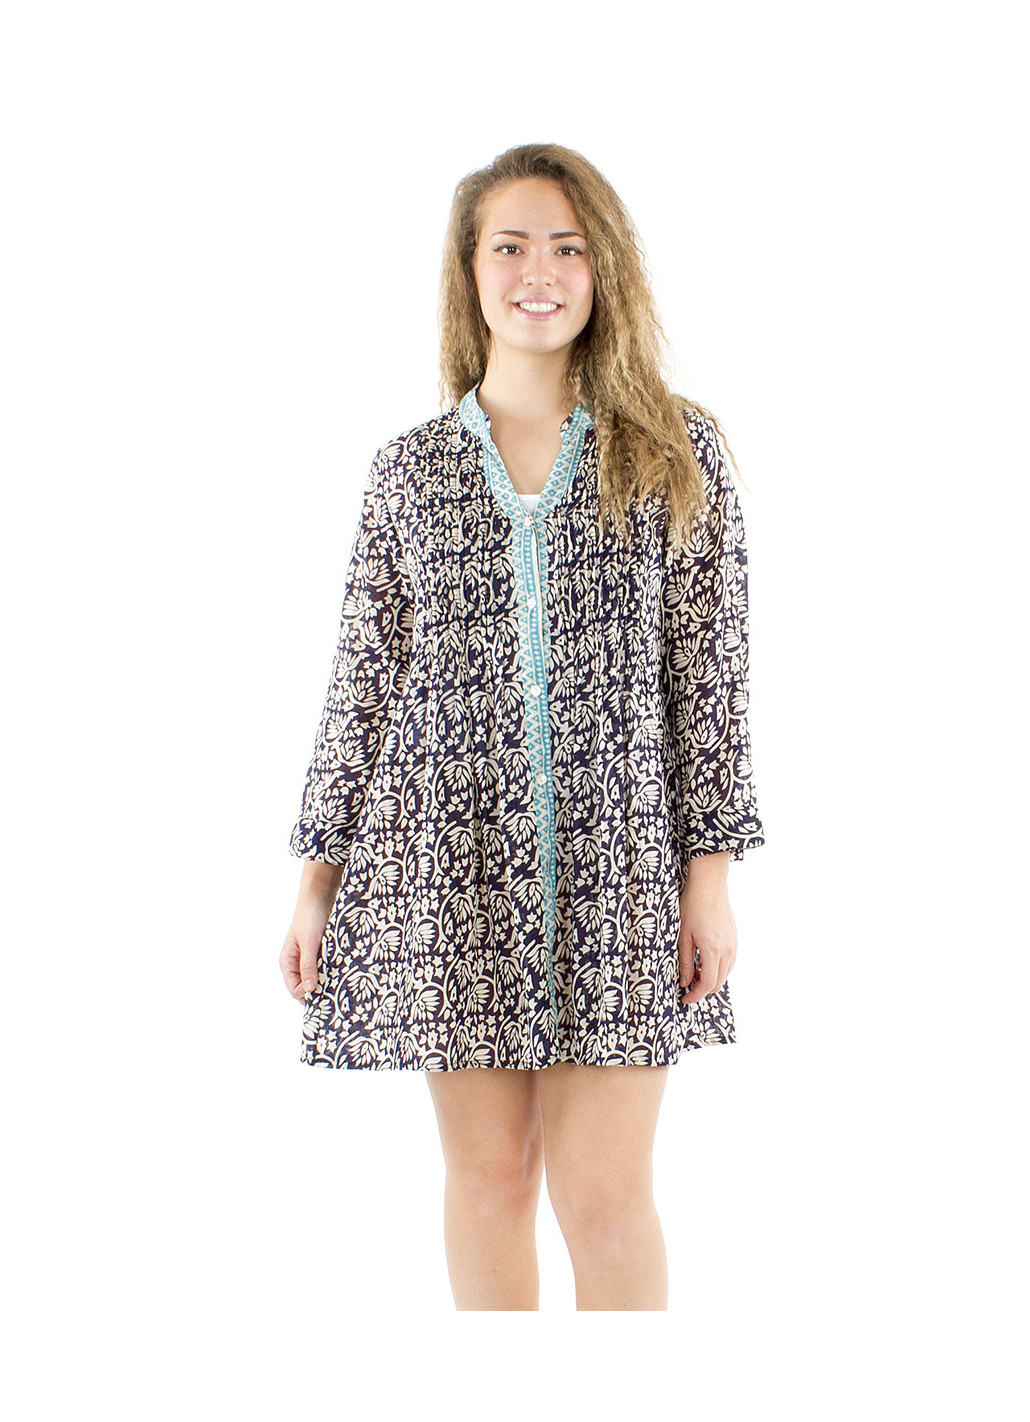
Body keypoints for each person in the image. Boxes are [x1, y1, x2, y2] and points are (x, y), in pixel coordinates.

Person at [278, 142, 765, 1310]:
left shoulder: (672, 453)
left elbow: (709, 678)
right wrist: (316, 881)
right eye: (509, 247)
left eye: (567, 248)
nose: (537, 272)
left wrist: (708, 876)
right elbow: (362, 684)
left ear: (604, 272)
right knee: (490, 1180)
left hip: (622, 873)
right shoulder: (406, 473)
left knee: (603, 1197)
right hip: (450, 869)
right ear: (469, 271)